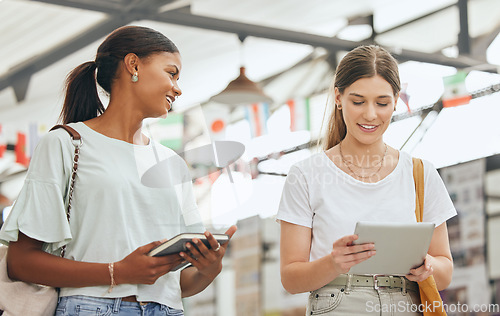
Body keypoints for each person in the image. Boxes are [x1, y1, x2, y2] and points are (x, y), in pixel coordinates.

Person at [0, 25, 236, 315]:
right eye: (171, 73)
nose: (178, 88)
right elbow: (21, 262)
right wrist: (118, 272)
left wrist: (209, 269)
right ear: (133, 65)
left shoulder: (171, 163)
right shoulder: (64, 144)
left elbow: (181, 282)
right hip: (90, 307)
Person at [277, 45, 456, 315]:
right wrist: (333, 263)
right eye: (358, 101)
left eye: (382, 103)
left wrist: (428, 266)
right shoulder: (305, 175)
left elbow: (445, 272)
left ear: (396, 100)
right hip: (338, 305)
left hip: (406, 305)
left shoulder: (421, 173)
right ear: (338, 97)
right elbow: (291, 278)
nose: (371, 114)